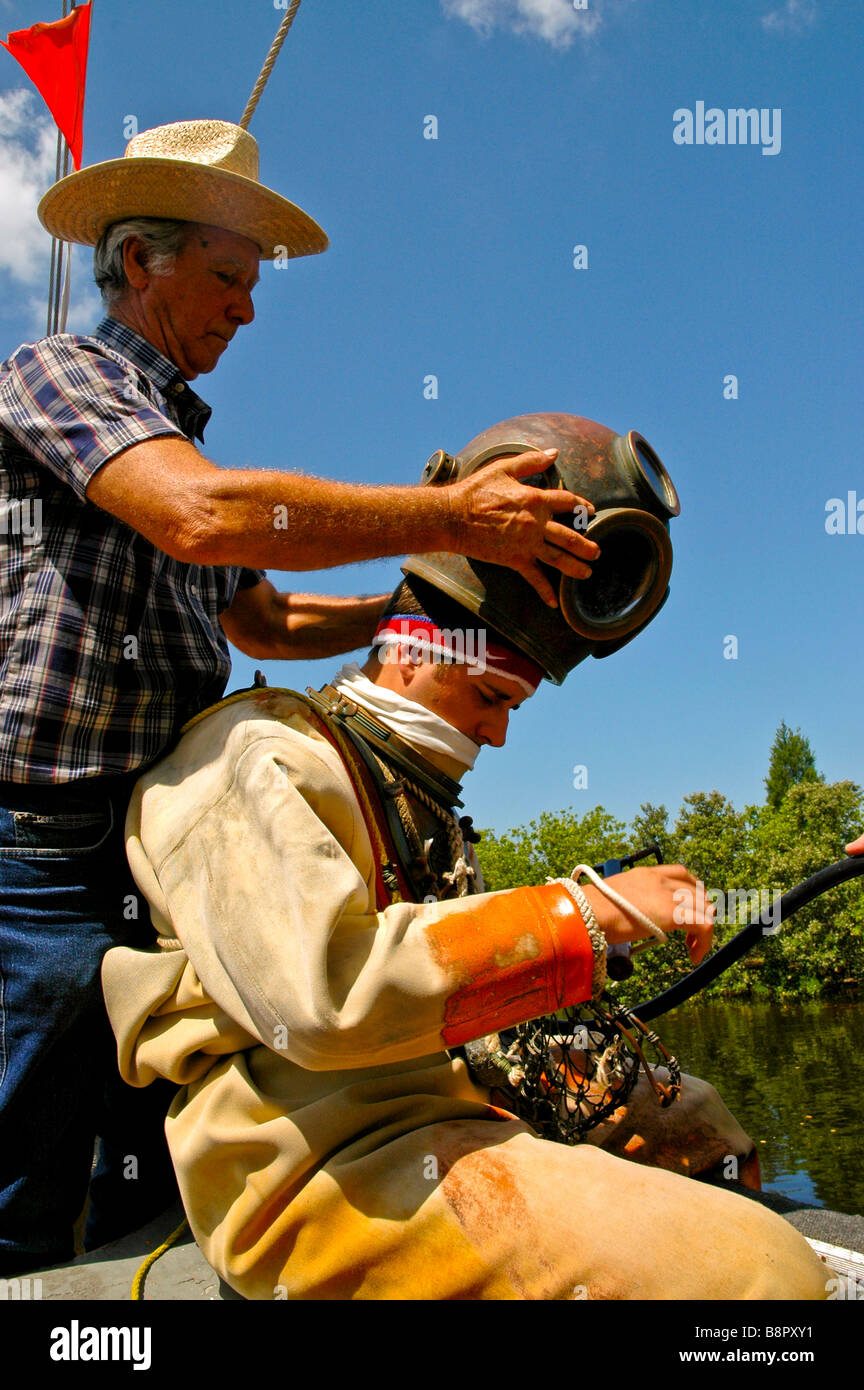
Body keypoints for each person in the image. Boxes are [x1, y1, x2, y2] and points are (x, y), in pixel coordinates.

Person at [0, 120, 599, 1276]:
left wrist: (435, 614)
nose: (250, 309)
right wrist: (451, 517)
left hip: (163, 854)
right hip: (40, 859)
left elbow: (266, 623)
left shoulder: (183, 442)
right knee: (26, 1172)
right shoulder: (60, 377)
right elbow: (200, 518)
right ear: (137, 264)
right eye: (229, 277)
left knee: (165, 1165)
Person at [101, 564, 827, 1299]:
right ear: (412, 653)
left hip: (447, 1093)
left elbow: (443, 972)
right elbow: (325, 1003)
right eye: (490, 697)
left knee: (702, 1133)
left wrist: (600, 941)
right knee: (762, 1276)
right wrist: (587, 913)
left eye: (514, 707)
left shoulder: (413, 787)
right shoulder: (257, 757)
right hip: (309, 1156)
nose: (500, 733)